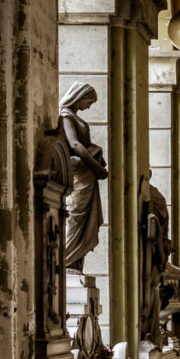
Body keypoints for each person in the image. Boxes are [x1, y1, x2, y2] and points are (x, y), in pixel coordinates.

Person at [59, 82, 108, 273]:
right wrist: (96, 167)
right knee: (75, 217)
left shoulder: (73, 116)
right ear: (79, 96)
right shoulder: (66, 115)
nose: (89, 106)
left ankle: (74, 262)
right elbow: (75, 145)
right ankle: (65, 261)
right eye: (89, 102)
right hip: (80, 174)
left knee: (84, 219)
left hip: (86, 176)